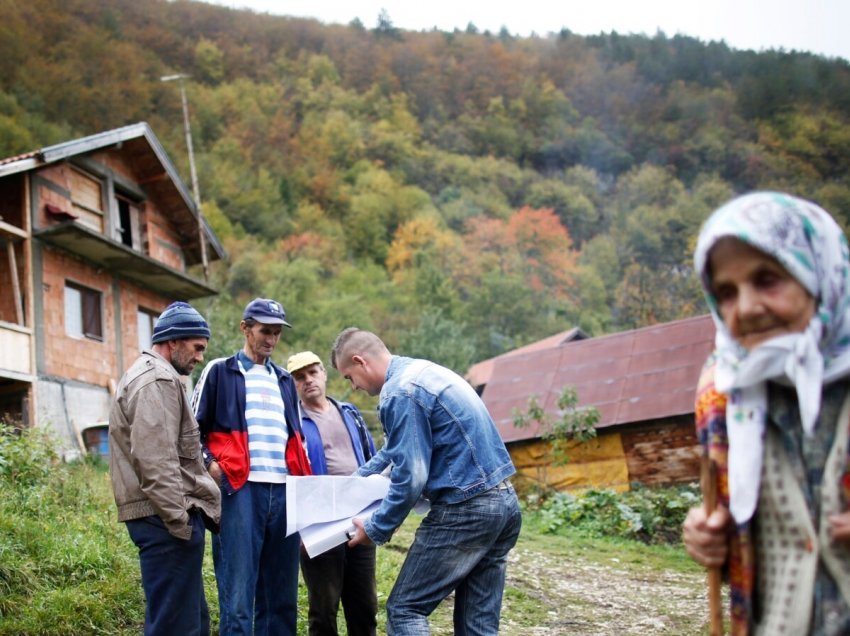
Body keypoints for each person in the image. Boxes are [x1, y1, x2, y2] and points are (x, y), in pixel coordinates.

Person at [682, 191, 850, 634]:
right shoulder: (722, 391)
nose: (748, 307)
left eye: (768, 279)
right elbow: (735, 521)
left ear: (819, 272)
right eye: (727, 293)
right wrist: (706, 534)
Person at [330, 328, 522, 635]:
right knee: (478, 623)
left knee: (406, 610)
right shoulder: (424, 372)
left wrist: (378, 526)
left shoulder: (399, 392)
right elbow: (395, 451)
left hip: (466, 510)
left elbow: (412, 477)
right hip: (504, 505)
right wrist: (353, 482)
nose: (353, 387)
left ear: (360, 361)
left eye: (349, 377)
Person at [192, 298, 312, 635]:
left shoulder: (286, 380)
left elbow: (297, 439)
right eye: (264, 331)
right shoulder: (220, 370)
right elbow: (190, 431)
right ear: (245, 328)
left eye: (276, 333)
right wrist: (210, 465)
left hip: (285, 491)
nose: (271, 340)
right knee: (239, 593)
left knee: (282, 594)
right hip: (239, 490)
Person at [108, 301, 221, 636]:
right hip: (165, 520)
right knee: (176, 626)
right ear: (174, 342)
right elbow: (155, 460)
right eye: (197, 348)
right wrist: (180, 522)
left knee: (189, 620)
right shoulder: (156, 379)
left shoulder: (157, 376)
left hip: (165, 519)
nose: (200, 357)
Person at [287, 350, 379, 636]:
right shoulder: (293, 424)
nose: (308, 380)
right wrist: (301, 526)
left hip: (359, 518)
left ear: (324, 374)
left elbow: (372, 458)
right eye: (300, 377)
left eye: (313, 373)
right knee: (324, 608)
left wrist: (380, 510)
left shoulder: (350, 413)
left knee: (364, 605)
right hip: (319, 523)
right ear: (293, 385)